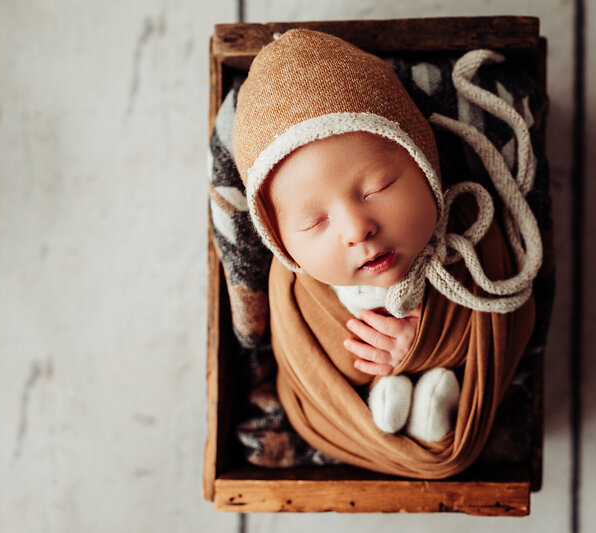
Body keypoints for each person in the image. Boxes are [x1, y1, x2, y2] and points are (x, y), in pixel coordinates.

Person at [231, 28, 541, 478]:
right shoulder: (298, 293)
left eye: (378, 187)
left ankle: (434, 409)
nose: (357, 229)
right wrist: (379, 363)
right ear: (280, 243)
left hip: (463, 393)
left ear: (424, 163)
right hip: (347, 423)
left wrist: (428, 343)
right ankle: (401, 412)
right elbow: (310, 374)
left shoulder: (472, 230)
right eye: (314, 223)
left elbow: (511, 318)